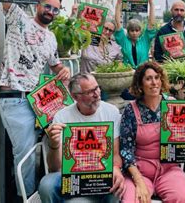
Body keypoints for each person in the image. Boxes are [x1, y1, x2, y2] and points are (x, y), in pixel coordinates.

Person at [0, 0, 71, 196]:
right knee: (25, 156)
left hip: (40, 102)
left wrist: (63, 70)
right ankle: (27, 198)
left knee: (54, 143)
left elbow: (54, 64)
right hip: (15, 98)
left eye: (56, 9)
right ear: (38, 5)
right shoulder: (19, 19)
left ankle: (49, 192)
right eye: (47, 6)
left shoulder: (51, 37)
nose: (51, 12)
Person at [120, 62, 185, 202]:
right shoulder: (131, 110)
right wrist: (139, 181)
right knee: (132, 200)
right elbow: (126, 150)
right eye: (148, 78)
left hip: (169, 170)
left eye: (157, 77)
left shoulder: (172, 105)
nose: (154, 82)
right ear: (140, 84)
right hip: (140, 171)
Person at [38, 74, 125, 203]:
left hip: (101, 175)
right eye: (90, 92)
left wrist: (116, 168)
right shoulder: (62, 117)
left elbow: (116, 154)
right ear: (75, 96)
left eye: (97, 88)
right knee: (46, 185)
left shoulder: (111, 111)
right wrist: (54, 144)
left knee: (117, 188)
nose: (97, 94)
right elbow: (54, 169)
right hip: (72, 177)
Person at [114, 0, 156, 69]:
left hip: (143, 73)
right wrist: (119, 3)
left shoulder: (145, 40)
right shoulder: (124, 41)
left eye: (137, 30)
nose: (134, 33)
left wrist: (151, 4)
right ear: (128, 31)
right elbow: (117, 23)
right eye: (132, 30)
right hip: (128, 73)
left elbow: (151, 23)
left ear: (140, 31)